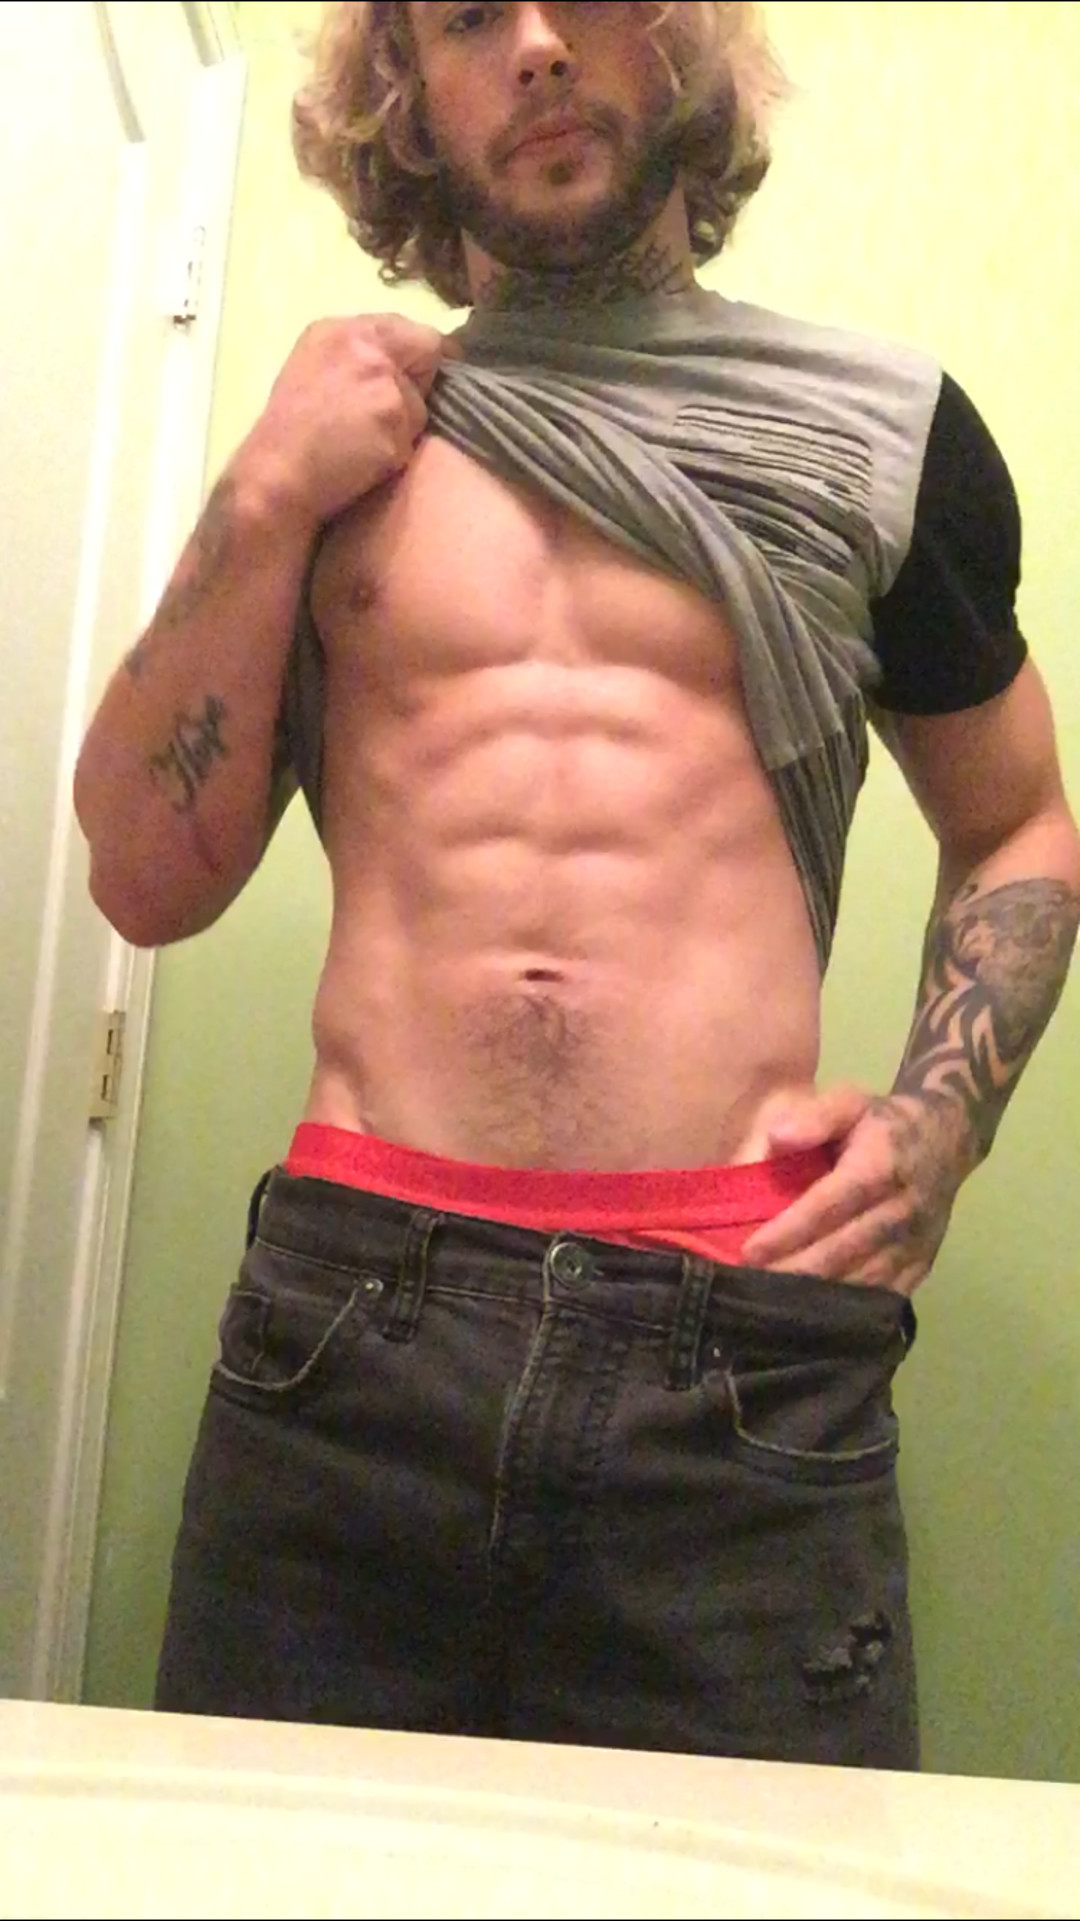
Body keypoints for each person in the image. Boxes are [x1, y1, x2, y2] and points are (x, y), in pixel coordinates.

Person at [74, 1, 1079, 1769]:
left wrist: (942, 1126)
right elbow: (145, 877)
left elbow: (1017, 820)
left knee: (762, 1887)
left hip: (736, 1355)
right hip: (351, 1336)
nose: (538, 45)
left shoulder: (883, 433)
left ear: (683, 39)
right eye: (470, 17)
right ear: (406, 92)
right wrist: (263, 489)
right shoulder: (343, 450)